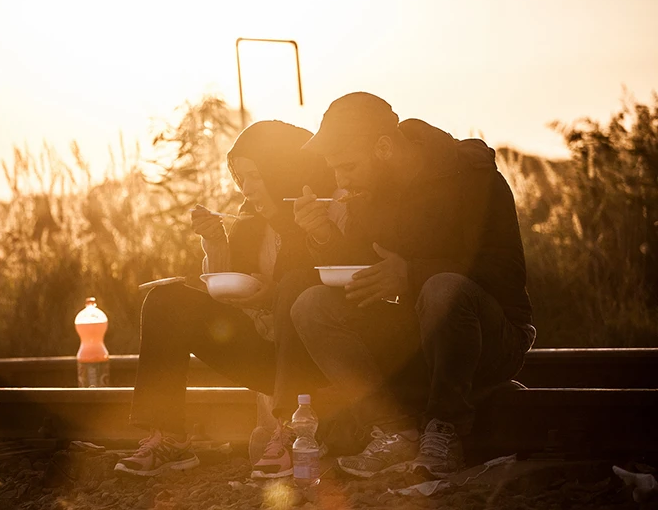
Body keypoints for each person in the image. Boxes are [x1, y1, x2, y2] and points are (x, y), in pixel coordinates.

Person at [290, 92, 535, 479]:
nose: (341, 180)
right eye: (335, 170)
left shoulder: (473, 178)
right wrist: (321, 235)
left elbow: (507, 273)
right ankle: (393, 432)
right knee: (312, 304)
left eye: (348, 166)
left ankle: (445, 429)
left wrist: (411, 273)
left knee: (442, 288)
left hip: (492, 342)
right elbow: (362, 272)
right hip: (415, 342)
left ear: (384, 147)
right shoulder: (369, 196)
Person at [114, 120, 338, 478]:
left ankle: (295, 433)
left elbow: (332, 294)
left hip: (316, 368)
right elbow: (228, 291)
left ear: (282, 171)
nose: (247, 190)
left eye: (256, 176)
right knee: (166, 300)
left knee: (296, 285)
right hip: (269, 359)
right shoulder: (250, 222)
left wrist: (277, 294)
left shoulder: (321, 212)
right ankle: (170, 439)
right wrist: (216, 242)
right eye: (241, 177)